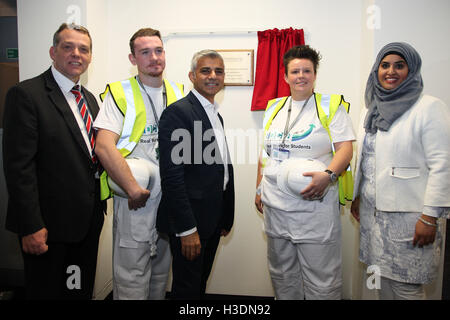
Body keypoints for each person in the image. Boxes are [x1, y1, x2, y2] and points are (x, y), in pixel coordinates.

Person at [2, 23, 104, 299]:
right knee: (47, 293)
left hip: (86, 223)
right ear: (53, 51)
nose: (76, 54)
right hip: (47, 228)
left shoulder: (90, 100)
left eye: (84, 49)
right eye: (67, 47)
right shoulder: (26, 95)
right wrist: (31, 225)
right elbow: (18, 168)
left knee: (78, 292)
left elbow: (93, 156)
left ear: (90, 57)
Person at [254, 45, 355, 300]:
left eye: (307, 71)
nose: (301, 76)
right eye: (295, 71)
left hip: (314, 206)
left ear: (315, 74)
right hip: (276, 206)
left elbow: (345, 149)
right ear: (286, 76)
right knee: (282, 273)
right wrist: (258, 188)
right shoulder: (274, 107)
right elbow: (266, 153)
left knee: (321, 278)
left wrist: (329, 176)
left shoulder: (330, 105)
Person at [351, 42, 450, 300]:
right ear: (377, 70)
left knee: (407, 287)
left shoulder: (428, 107)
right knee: (381, 281)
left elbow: (443, 164)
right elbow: (367, 159)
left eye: (399, 65)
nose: (390, 71)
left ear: (411, 69)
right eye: (385, 65)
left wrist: (430, 217)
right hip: (373, 215)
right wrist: (358, 194)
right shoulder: (369, 109)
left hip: (411, 218)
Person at [94, 28, 184, 300]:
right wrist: (132, 188)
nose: (154, 58)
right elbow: (103, 146)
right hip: (135, 194)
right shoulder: (119, 92)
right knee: (132, 273)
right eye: (145, 52)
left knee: (160, 271)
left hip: (168, 195)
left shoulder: (178, 91)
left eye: (158, 50)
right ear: (133, 59)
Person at [157, 50, 235, 299]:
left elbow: (220, 168)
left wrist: (225, 216)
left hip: (212, 217)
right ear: (192, 76)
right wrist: (186, 229)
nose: (213, 76)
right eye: (205, 70)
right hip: (191, 221)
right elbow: (172, 176)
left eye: (219, 71)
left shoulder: (215, 114)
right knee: (187, 289)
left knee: (199, 284)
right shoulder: (178, 113)